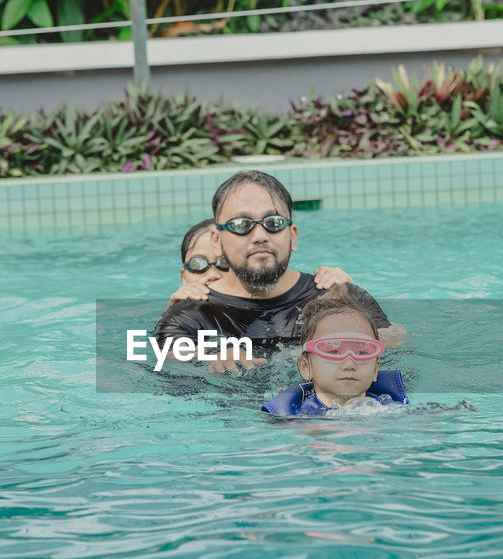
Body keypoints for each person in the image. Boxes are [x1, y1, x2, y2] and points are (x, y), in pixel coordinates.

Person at [154, 170, 397, 373]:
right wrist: (209, 354)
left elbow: (394, 344)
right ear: (216, 240)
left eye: (274, 223)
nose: (259, 236)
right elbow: (166, 356)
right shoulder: (189, 313)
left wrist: (353, 322)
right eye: (241, 225)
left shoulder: (337, 295)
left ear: (292, 236)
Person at [262, 285, 409, 416]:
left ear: (375, 369)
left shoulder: (394, 410)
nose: (350, 364)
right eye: (333, 351)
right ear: (306, 367)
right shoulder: (293, 419)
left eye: (363, 352)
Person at [168, 218, 355, 307]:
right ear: (184, 277)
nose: (213, 274)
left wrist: (346, 296)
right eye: (197, 265)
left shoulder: (295, 305)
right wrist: (171, 314)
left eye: (224, 262)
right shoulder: (177, 319)